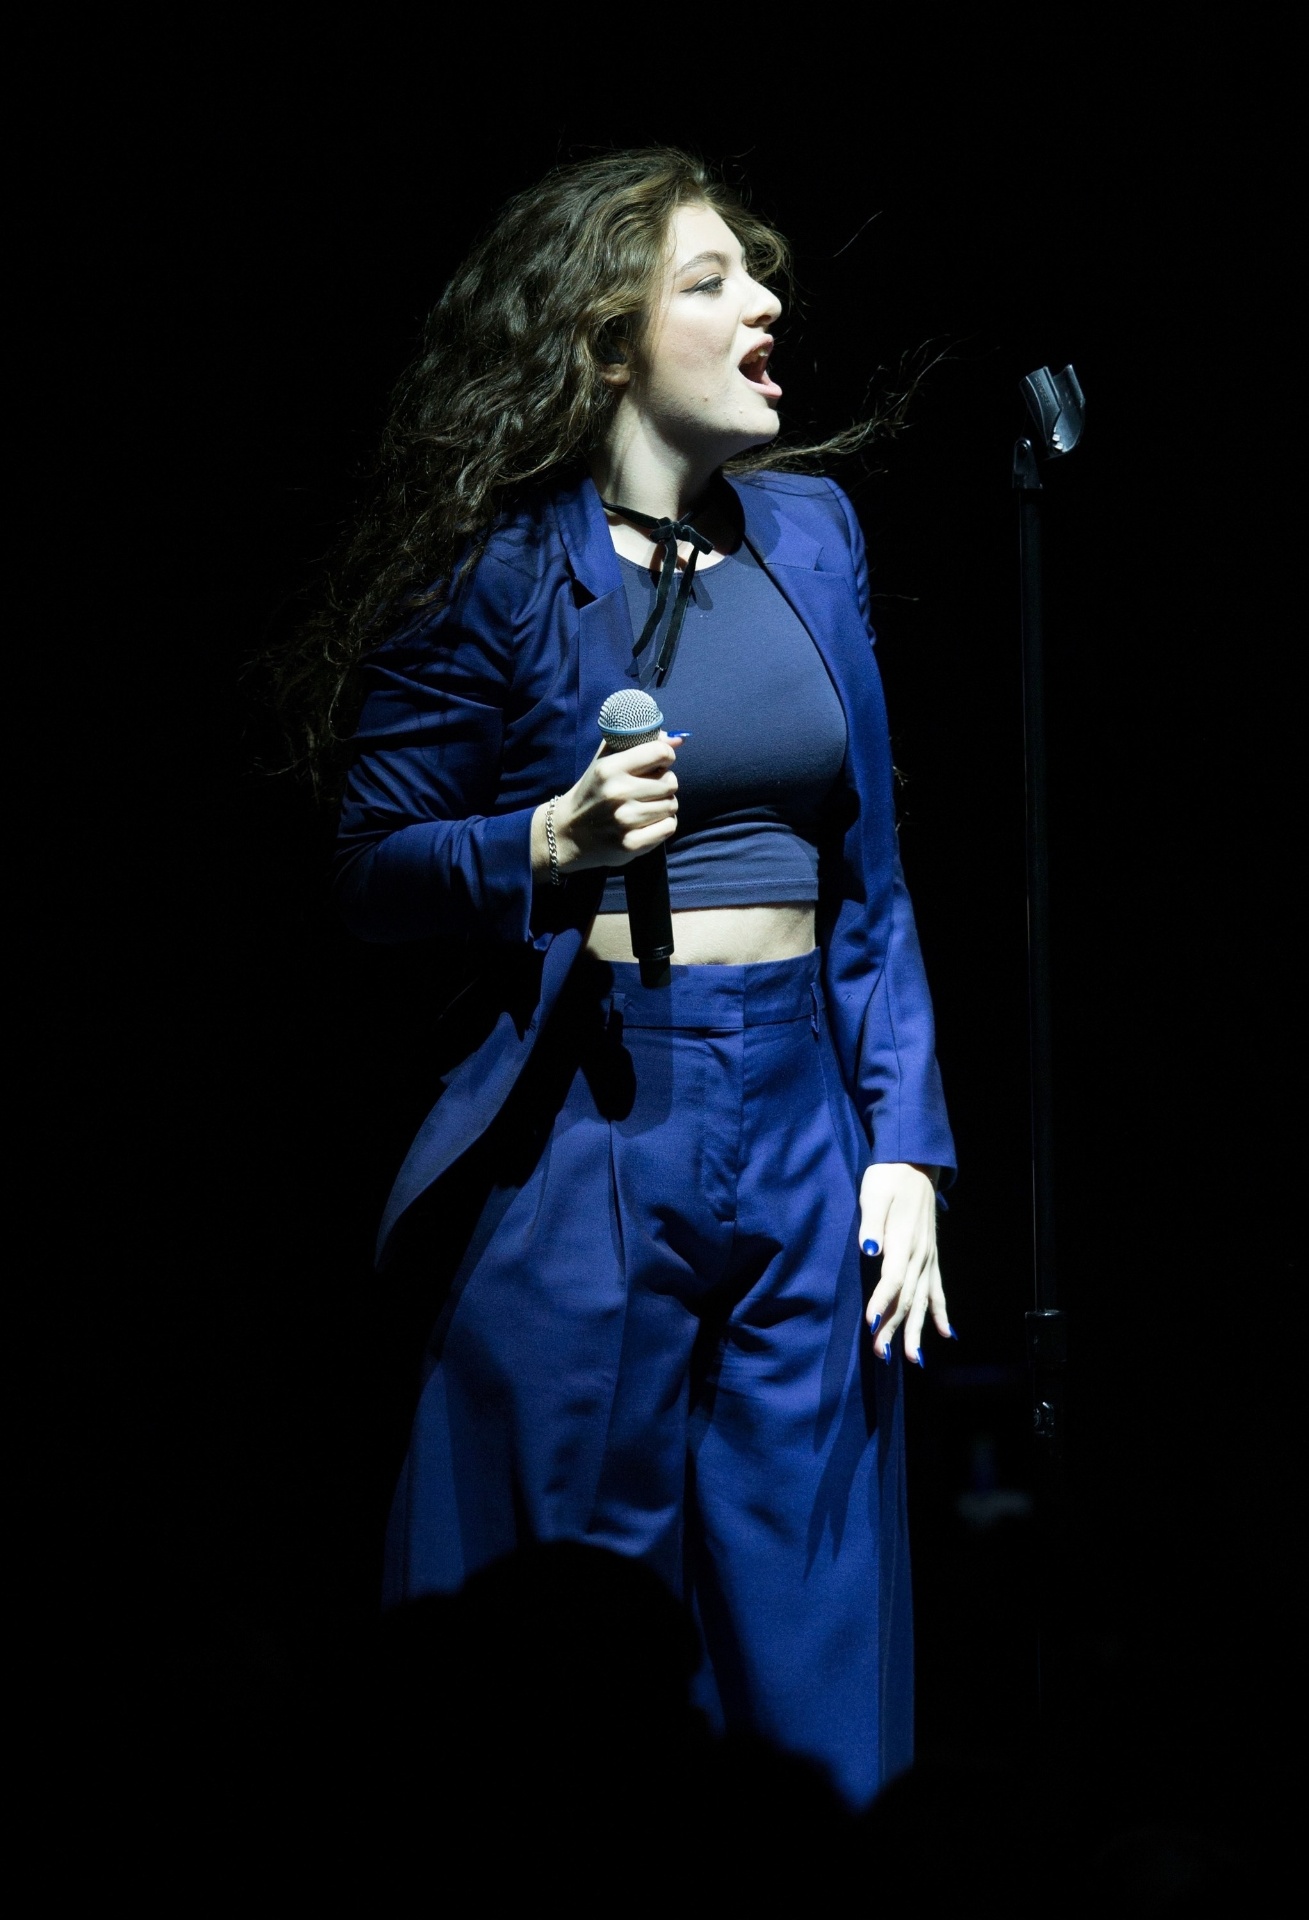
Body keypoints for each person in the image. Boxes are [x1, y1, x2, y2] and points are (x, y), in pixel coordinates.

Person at [303, 149, 956, 1805]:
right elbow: (370, 866)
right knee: (566, 1629)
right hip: (593, 1123)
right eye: (711, 279)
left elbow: (867, 875)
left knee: (807, 1601)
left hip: (803, 1113)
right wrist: (537, 846)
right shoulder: (502, 568)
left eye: (759, 276)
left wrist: (903, 1145)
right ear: (604, 343)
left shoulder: (809, 530)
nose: (764, 304)